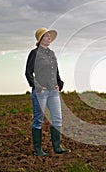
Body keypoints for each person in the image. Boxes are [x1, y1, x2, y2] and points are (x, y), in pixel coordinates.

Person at [25, 27, 70, 156]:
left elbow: (55, 71)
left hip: (53, 91)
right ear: (40, 39)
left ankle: (57, 147)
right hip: (41, 92)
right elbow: (28, 72)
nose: (49, 38)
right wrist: (37, 86)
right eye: (46, 36)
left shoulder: (51, 54)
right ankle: (38, 150)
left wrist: (59, 84)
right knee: (38, 120)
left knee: (57, 119)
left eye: (50, 36)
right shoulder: (34, 53)